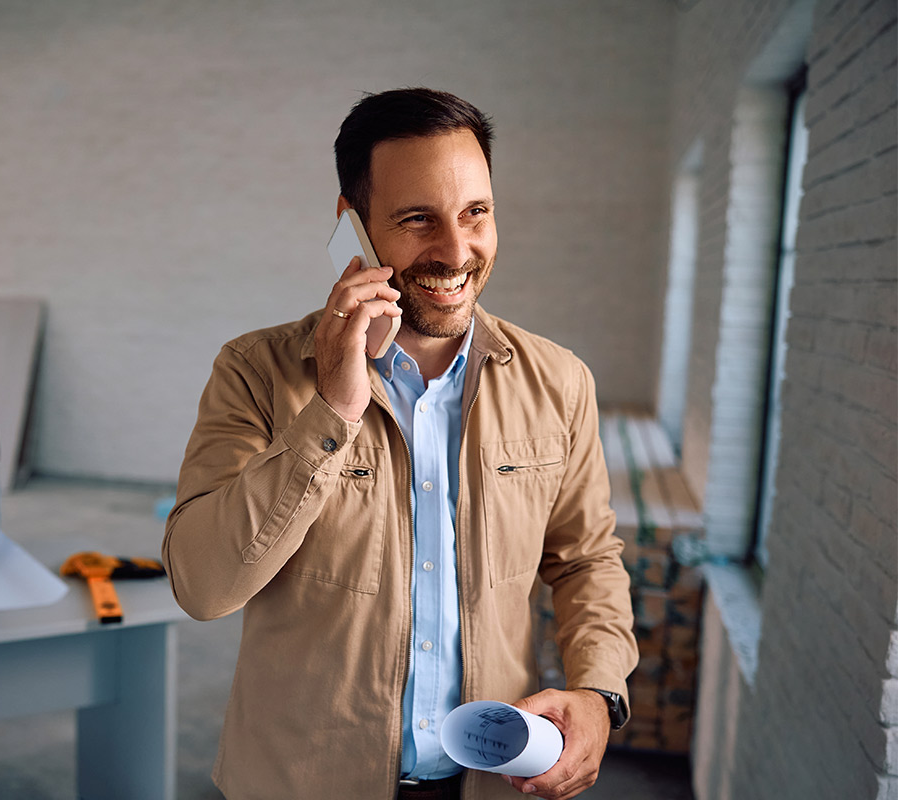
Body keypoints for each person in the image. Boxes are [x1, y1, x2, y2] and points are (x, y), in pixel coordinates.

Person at [162, 88, 638, 800]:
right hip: (301, 782)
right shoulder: (254, 372)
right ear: (352, 227)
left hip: (492, 780)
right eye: (418, 219)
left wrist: (600, 694)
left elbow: (585, 561)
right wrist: (332, 407)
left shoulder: (559, 381)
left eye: (476, 212)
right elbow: (203, 587)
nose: (456, 251)